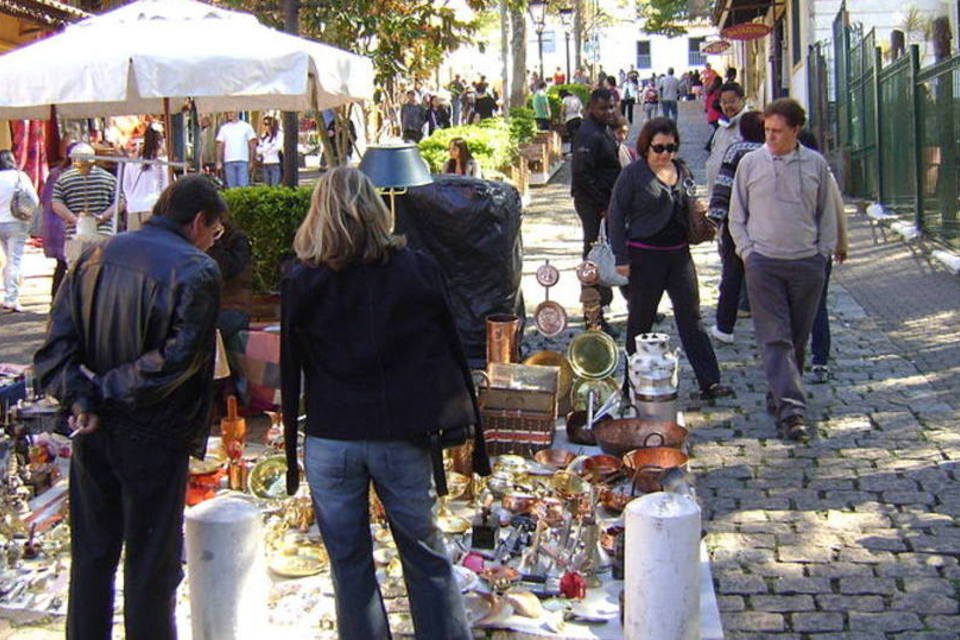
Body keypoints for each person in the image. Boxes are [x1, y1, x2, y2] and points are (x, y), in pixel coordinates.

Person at [280, 166, 490, 640]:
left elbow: (292, 366)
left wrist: (293, 450)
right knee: (425, 557)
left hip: (333, 436)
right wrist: (459, 422)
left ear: (318, 215)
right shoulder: (415, 269)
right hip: (399, 433)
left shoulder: (301, 279)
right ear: (375, 210)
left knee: (349, 567)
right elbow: (446, 348)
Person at [33, 176, 227, 639]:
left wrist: (85, 394)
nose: (213, 242)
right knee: (150, 565)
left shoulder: (95, 255)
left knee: (94, 558)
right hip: (150, 432)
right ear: (199, 222)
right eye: (215, 232)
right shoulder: (196, 269)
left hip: (96, 427)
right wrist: (94, 392)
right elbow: (177, 360)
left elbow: (55, 350)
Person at [729, 98, 839, 441]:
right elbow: (737, 214)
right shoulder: (750, 163)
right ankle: (793, 411)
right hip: (764, 264)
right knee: (775, 337)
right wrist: (747, 251)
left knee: (797, 338)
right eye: (767, 131)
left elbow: (828, 213)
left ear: (795, 130)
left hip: (806, 264)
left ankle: (779, 393)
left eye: (778, 131)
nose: (771, 137)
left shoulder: (815, 165)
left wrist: (822, 253)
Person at [607, 117, 732, 401]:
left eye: (671, 148)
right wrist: (621, 256)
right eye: (659, 148)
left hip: (678, 256)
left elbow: (688, 201)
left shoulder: (682, 169)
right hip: (644, 258)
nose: (665, 154)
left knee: (691, 318)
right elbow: (615, 215)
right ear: (646, 146)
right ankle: (630, 385)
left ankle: (709, 382)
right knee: (640, 322)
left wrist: (698, 209)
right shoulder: (633, 175)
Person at [707, 110, 765, 345]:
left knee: (732, 275)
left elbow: (724, 184)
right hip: (766, 224)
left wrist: (717, 217)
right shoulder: (770, 152)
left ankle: (724, 326)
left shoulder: (736, 151)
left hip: (737, 223)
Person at [797, 130, 849, 384]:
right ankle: (816, 359)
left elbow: (836, 209)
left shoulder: (820, 172)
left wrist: (839, 244)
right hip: (808, 249)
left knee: (817, 306)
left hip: (815, 250)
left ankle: (818, 359)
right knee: (817, 306)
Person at [570, 88, 621, 334]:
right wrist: (602, 205)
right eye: (603, 108)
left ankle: (625, 304)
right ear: (591, 108)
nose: (609, 112)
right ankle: (593, 318)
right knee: (593, 260)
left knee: (609, 254)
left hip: (605, 203)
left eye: (611, 107)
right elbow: (582, 174)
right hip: (593, 205)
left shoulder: (604, 129)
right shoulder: (588, 133)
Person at [52, 142, 121, 260]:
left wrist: (74, 220)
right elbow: (120, 202)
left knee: (76, 269)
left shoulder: (64, 179)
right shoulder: (108, 178)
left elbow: (56, 204)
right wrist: (102, 217)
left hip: (75, 233)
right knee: (101, 268)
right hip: (103, 233)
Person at [0, 149, 39, 313]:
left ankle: (10, 292)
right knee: (13, 260)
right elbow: (34, 200)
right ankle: (11, 298)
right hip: (17, 222)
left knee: (7, 258)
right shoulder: (20, 177)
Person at [41, 139, 73, 300]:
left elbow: (44, 197)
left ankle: (55, 298)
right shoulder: (72, 176)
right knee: (70, 263)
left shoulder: (54, 173)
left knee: (61, 264)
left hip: (51, 223)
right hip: (64, 223)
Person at [121, 123, 169, 231]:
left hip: (134, 208)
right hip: (153, 207)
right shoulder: (163, 164)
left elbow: (126, 187)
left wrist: (132, 200)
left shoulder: (132, 163)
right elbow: (167, 188)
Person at [705, 82, 748, 200]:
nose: (728, 105)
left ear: (743, 100)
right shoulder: (721, 127)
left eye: (732, 101)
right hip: (718, 196)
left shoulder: (748, 125)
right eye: (724, 102)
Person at [216, 111, 258, 188]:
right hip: (228, 161)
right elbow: (220, 145)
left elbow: (252, 144)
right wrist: (219, 161)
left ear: (237, 112)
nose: (229, 114)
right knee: (231, 186)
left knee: (243, 186)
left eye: (231, 112)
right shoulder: (224, 128)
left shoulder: (246, 127)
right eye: (228, 113)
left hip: (243, 160)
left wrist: (252, 161)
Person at [257, 115, 284, 186]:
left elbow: (277, 147)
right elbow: (259, 150)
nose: (265, 126)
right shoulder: (263, 137)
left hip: (274, 162)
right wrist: (269, 147)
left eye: (267, 124)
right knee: (267, 185)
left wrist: (266, 149)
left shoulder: (278, 134)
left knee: (275, 185)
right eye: (264, 124)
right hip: (265, 163)